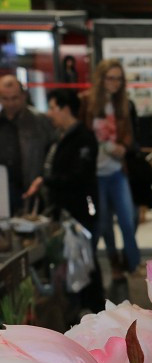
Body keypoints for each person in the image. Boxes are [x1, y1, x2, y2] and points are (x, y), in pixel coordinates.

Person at [23, 90, 105, 312]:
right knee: (75, 261)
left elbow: (78, 176)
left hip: (80, 211)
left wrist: (46, 181)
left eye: (52, 108)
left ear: (65, 109)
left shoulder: (83, 138)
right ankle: (81, 309)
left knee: (86, 261)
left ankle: (96, 309)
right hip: (67, 211)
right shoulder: (63, 136)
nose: (49, 114)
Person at [80, 60, 143, 276]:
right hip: (94, 173)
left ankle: (134, 266)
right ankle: (114, 263)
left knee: (128, 219)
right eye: (111, 78)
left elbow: (130, 136)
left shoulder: (123, 104)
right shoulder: (86, 102)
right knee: (104, 223)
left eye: (119, 78)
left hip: (117, 170)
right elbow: (80, 134)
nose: (115, 83)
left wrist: (123, 148)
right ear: (101, 78)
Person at [0, 75, 53, 214]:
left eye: (14, 98)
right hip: (4, 189)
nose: (10, 103)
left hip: (33, 187)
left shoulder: (39, 121)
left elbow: (53, 151)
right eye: (5, 98)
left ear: (23, 96)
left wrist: (44, 178)